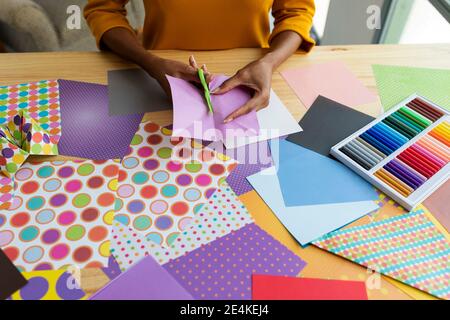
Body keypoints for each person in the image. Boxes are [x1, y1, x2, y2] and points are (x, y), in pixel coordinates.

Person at [84, 0, 315, 122]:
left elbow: (296, 12)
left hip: (253, 74)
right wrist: (150, 63)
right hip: (156, 78)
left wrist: (269, 62)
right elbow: (104, 9)